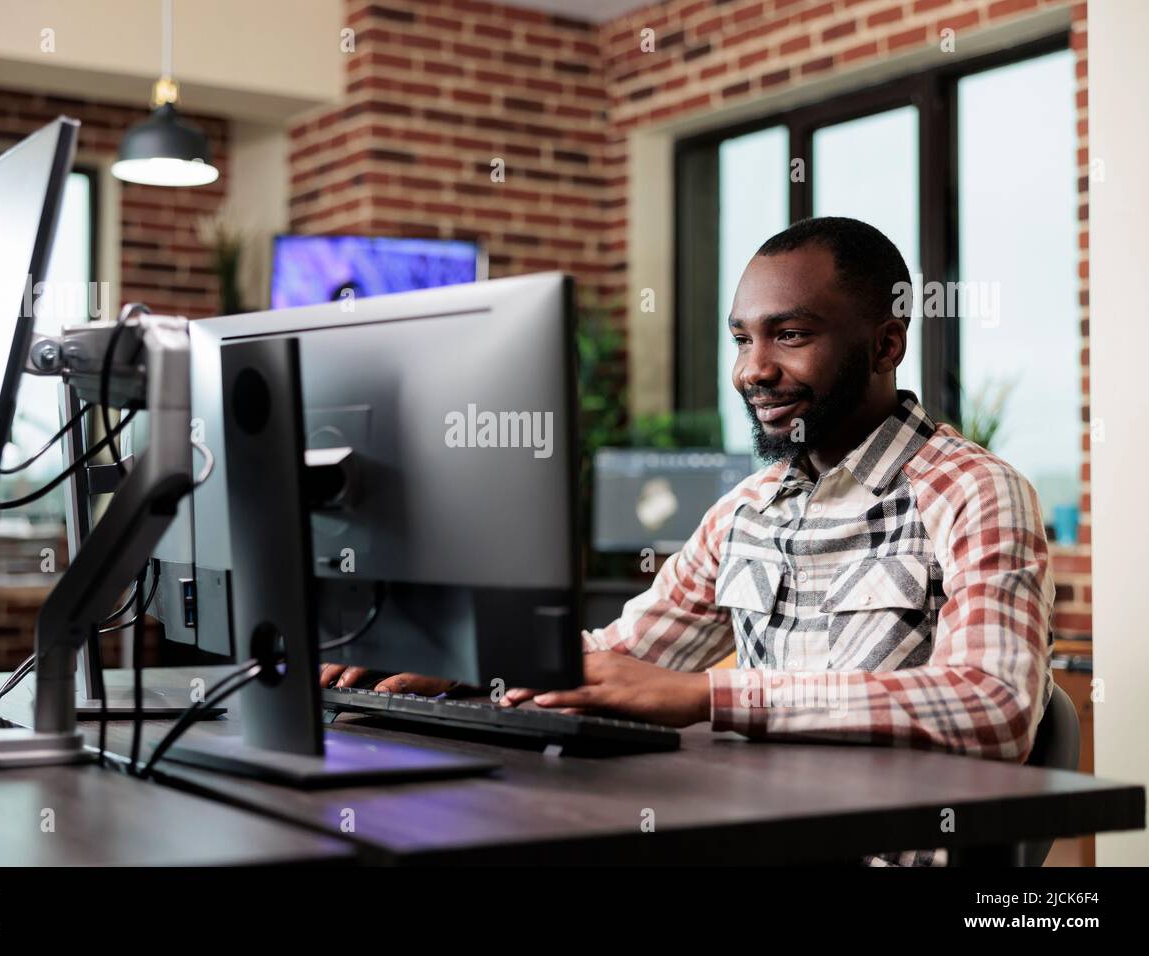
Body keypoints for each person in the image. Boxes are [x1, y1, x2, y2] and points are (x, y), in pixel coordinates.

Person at [322, 216, 1055, 792]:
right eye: (742, 338)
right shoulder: (747, 511)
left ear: (887, 344)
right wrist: (470, 664)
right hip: (744, 831)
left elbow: (995, 705)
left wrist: (715, 696)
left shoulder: (975, 492)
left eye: (790, 335)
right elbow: (623, 658)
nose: (753, 370)